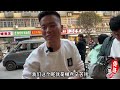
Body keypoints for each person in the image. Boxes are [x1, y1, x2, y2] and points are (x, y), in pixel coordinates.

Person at [22, 11, 85, 79]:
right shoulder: (36, 55)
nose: (48, 30)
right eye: (44, 27)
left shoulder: (70, 46)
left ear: (61, 28)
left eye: (52, 25)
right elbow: (27, 76)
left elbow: (81, 70)